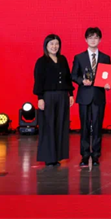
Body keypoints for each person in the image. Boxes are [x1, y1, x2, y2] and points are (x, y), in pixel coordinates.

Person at [71, 27, 111, 167]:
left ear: (100, 40)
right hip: (84, 96)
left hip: (99, 96)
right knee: (84, 127)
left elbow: (107, 76)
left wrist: (107, 85)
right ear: (86, 40)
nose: (93, 40)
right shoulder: (79, 57)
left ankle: (95, 155)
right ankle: (84, 155)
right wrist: (82, 81)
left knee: (97, 126)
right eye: (90, 37)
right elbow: (73, 75)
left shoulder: (105, 58)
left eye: (96, 37)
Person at [33, 34, 74, 167]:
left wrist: (71, 94)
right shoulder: (41, 61)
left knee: (61, 124)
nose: (54, 46)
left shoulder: (62, 59)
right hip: (48, 97)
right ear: (46, 45)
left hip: (62, 96)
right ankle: (48, 158)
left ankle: (58, 156)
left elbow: (68, 78)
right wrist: (40, 98)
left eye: (56, 44)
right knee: (48, 125)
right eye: (51, 44)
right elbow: (38, 80)